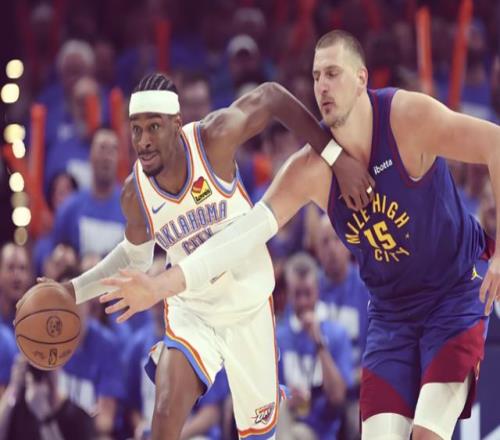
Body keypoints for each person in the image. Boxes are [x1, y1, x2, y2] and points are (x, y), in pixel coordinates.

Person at [106, 31, 500, 440]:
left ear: (361, 79)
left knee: (427, 435)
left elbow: (495, 143)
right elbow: (240, 238)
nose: (322, 86)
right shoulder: (309, 170)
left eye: (332, 73)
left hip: (454, 292)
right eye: (315, 77)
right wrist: (161, 285)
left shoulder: (406, 118)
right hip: (391, 313)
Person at [32, 70, 373, 440]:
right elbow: (134, 257)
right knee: (164, 413)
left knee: (259, 435)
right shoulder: (135, 193)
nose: (143, 141)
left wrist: (334, 156)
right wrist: (72, 291)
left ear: (176, 124)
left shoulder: (213, 139)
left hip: (248, 306)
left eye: (153, 127)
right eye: (136, 129)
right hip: (192, 309)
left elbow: (272, 96)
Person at [276, 253, 353, 440]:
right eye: (297, 294)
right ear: (287, 294)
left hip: (322, 431)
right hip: (288, 421)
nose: (303, 302)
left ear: (318, 291)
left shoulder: (336, 334)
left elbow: (338, 397)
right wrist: (287, 397)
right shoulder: (279, 336)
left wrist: (319, 342)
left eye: (308, 293)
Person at [0, 358, 95, 440]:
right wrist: (14, 387)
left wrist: (45, 418)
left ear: (59, 368)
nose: (41, 376)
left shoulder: (77, 417)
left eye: (48, 369)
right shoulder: (17, 407)